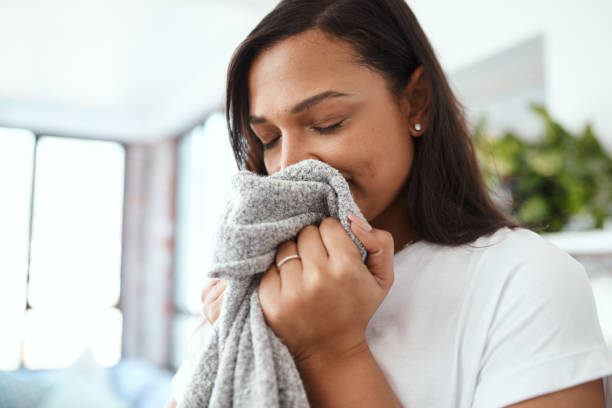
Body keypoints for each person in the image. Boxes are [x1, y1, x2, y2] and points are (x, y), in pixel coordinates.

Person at [167, 0, 612, 406]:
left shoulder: (524, 279)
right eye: (268, 138)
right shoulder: (251, 289)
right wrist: (228, 334)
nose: (289, 166)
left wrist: (332, 352)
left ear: (415, 102)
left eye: (327, 123)